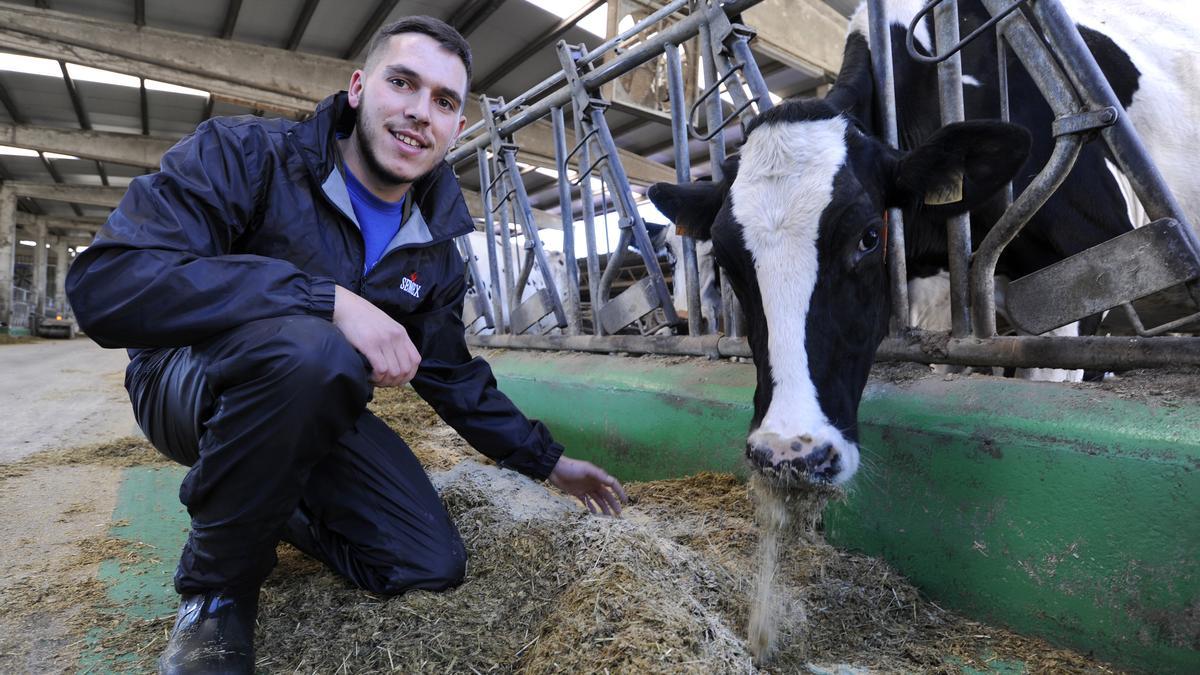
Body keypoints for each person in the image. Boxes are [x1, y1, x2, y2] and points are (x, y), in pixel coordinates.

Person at [66, 16, 627, 674]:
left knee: (427, 562)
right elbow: (108, 284)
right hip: (184, 383)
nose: (421, 112)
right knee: (315, 352)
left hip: (306, 407)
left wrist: (549, 460)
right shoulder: (247, 156)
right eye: (403, 83)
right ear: (358, 87)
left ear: (455, 128)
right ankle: (216, 594)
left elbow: (452, 374)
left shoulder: (434, 252)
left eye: (444, 101)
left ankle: (262, 495)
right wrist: (326, 299)